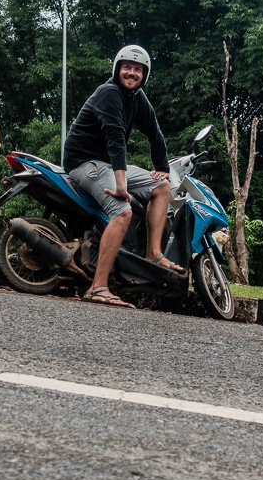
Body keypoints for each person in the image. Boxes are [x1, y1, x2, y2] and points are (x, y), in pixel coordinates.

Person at [63, 44, 180, 308]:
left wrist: (162, 165)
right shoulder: (109, 93)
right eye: (127, 67)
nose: (132, 73)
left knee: (161, 187)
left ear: (144, 75)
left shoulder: (137, 98)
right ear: (117, 69)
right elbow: (116, 141)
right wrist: (121, 185)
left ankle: (153, 254)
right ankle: (98, 287)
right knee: (123, 211)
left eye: (138, 70)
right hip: (85, 162)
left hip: (108, 163)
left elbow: (154, 130)